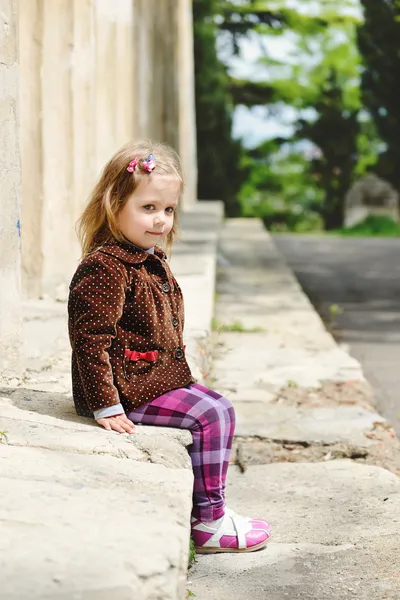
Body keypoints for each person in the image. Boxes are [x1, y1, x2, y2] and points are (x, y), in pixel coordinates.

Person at [68, 140, 271, 553]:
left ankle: (214, 509)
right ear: (114, 203)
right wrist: (105, 403)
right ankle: (210, 521)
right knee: (213, 413)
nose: (160, 220)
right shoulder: (105, 266)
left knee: (217, 406)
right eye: (148, 208)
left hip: (150, 379)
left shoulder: (145, 256)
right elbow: (89, 339)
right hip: (124, 390)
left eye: (168, 209)